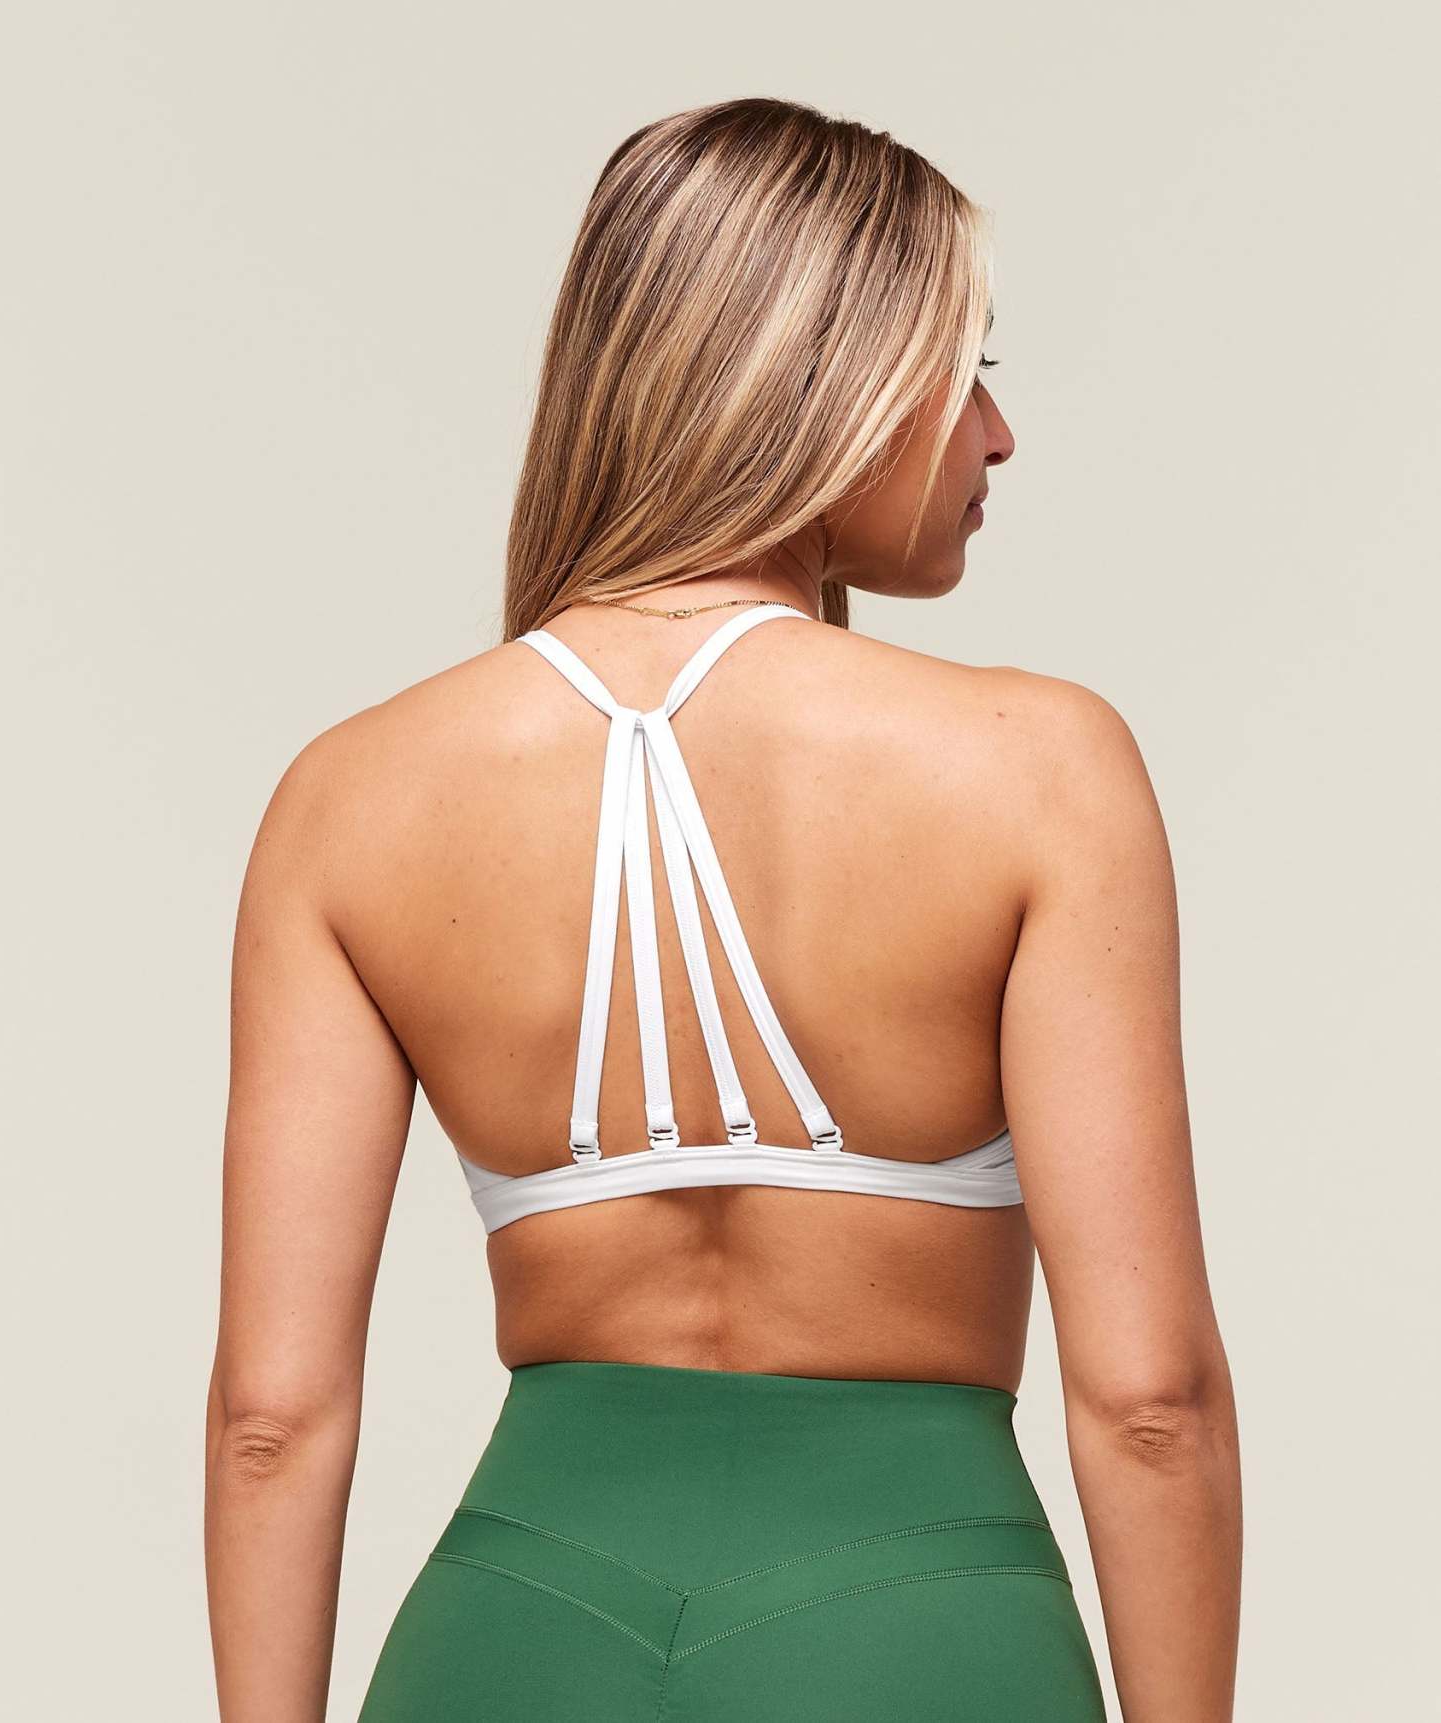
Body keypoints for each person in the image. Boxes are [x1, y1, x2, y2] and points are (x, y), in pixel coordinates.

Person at [205, 97, 1242, 1722]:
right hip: (920, 1638)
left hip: (513, 1639)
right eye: (962, 366)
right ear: (824, 378)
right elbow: (1148, 1403)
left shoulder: (347, 798)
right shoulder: (1039, 765)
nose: (994, 434)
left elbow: (270, 1418)